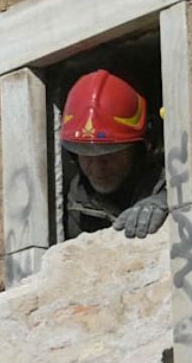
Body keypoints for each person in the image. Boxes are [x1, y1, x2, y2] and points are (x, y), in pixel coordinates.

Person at [61, 69, 168, 239]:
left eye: (108, 155)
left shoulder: (169, 181)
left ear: (139, 149)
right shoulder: (73, 201)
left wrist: (170, 200)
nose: (97, 169)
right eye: (86, 156)